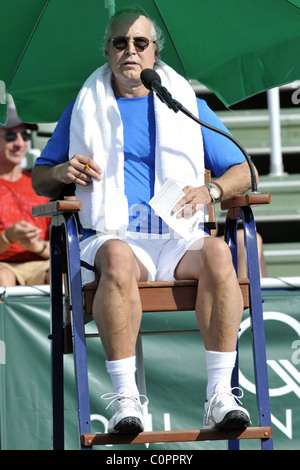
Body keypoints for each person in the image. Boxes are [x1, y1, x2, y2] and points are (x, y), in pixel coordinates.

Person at [32, 7, 256, 433]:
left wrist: (212, 191)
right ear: (107, 51)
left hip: (175, 235)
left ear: (155, 53)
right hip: (113, 235)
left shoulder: (185, 103)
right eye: (120, 43)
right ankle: (126, 400)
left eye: (140, 43)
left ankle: (220, 395)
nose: (130, 51)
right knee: (115, 257)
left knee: (216, 253)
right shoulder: (83, 106)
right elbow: (42, 177)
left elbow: (244, 168)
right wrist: (62, 172)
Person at [0, 107, 51, 286]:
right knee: (2, 277)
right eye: (10, 136)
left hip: (42, 264)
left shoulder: (39, 184)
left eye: (25, 136)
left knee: (60, 277)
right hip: (4, 267)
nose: (20, 143)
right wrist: (8, 237)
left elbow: (64, 248)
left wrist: (38, 246)